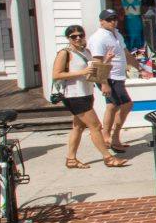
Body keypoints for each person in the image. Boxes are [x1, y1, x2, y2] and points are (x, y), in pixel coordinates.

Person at [50, 23, 127, 170]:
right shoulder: (65, 53)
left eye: (80, 35)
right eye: (74, 36)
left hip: (86, 93)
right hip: (73, 95)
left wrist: (106, 61)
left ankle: (71, 159)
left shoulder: (86, 52)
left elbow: (93, 71)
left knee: (78, 127)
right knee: (96, 126)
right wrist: (82, 72)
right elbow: (56, 74)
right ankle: (108, 157)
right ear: (68, 38)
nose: (78, 38)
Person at [92, 8, 135, 153]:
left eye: (115, 19)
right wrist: (104, 84)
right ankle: (110, 137)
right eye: (109, 19)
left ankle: (111, 139)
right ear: (101, 21)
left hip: (118, 76)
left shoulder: (116, 34)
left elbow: (125, 53)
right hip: (108, 77)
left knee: (112, 107)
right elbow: (97, 63)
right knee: (127, 104)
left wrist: (140, 68)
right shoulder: (99, 38)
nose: (113, 22)